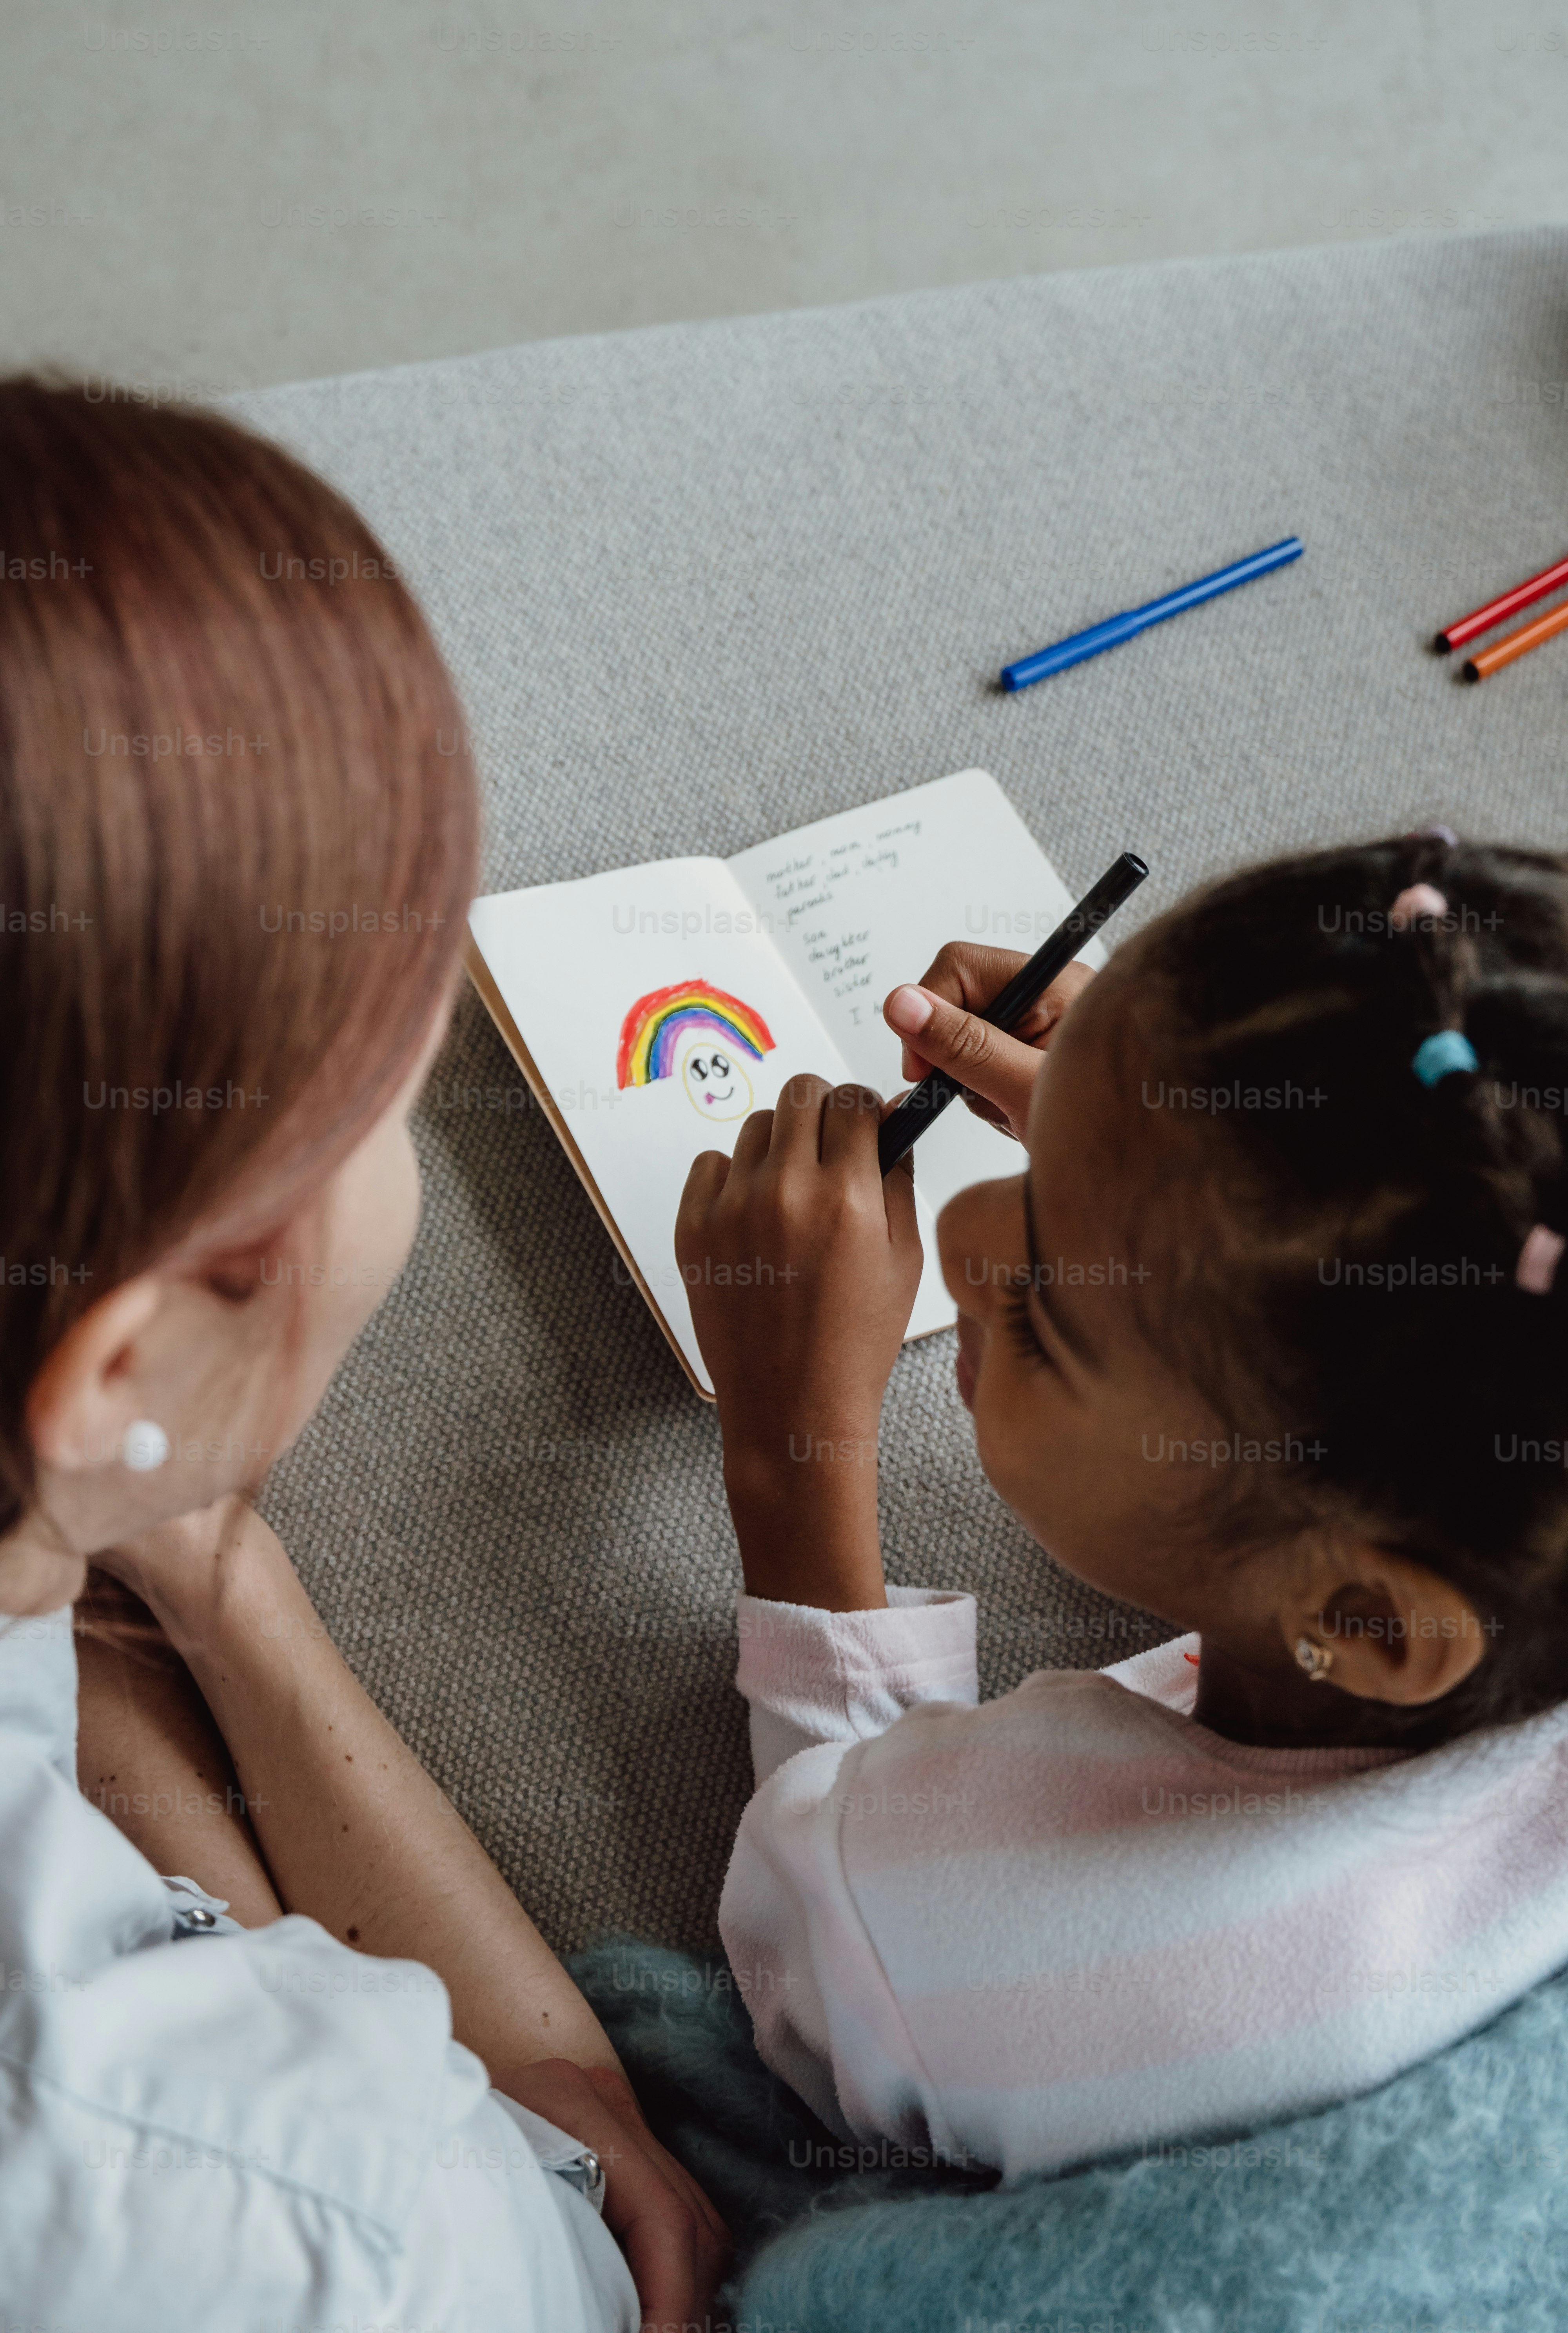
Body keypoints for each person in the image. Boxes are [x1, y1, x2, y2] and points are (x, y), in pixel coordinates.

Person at [0, 376, 726, 2328]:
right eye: (389, 1113)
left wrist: (168, 1554)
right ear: (125, 1356)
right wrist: (562, 2120)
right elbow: (579, 2203)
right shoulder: (343, 2230)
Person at [679, 836, 1568, 2179]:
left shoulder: (1032, 1939)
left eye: (1048, 1315)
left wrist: (789, 1449)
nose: (971, 1234)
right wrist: (1174, 1141)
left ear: (1365, 1619)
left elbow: (809, 1970)